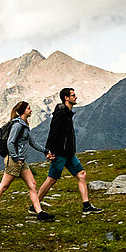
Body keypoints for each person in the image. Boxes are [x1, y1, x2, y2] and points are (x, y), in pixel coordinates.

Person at [0, 101, 55, 223]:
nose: (31, 110)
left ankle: (40, 213)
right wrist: (16, 158)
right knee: (4, 186)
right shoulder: (18, 125)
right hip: (14, 161)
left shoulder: (24, 124)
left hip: (21, 161)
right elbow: (10, 142)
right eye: (29, 108)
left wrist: (46, 151)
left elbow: (32, 142)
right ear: (23, 111)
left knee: (32, 185)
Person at [33, 87, 103, 215]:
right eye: (73, 95)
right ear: (66, 98)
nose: (75, 97)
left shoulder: (68, 113)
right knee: (51, 179)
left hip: (69, 153)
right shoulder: (61, 113)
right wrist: (48, 151)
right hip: (59, 153)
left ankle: (86, 206)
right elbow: (53, 131)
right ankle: (34, 206)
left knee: (81, 175)